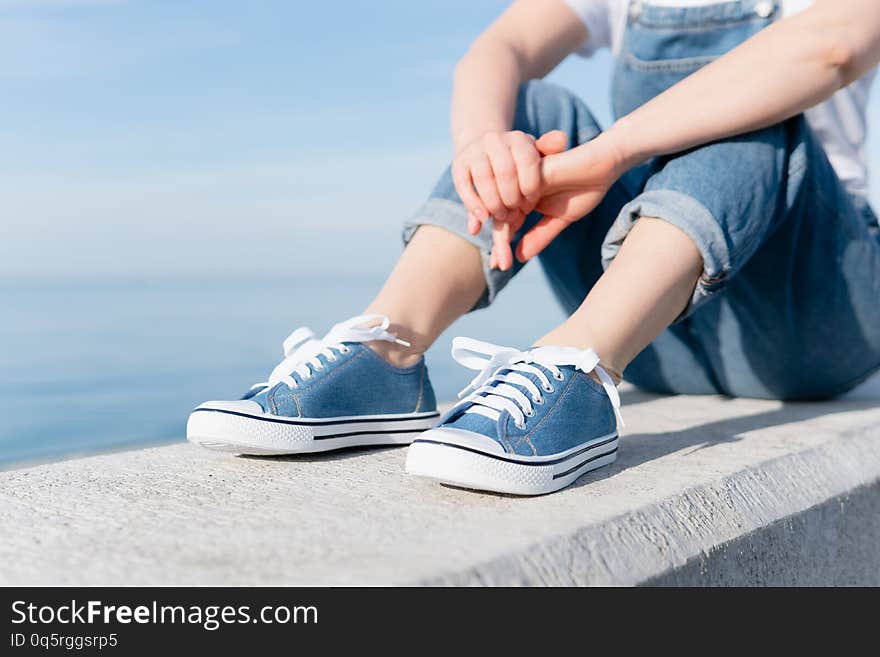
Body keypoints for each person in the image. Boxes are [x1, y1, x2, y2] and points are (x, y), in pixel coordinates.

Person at [187, 0, 880, 496]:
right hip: (663, 337)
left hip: (812, 323)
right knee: (529, 111)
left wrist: (612, 153)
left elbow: (832, 48)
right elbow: (499, 48)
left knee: (754, 116)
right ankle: (387, 354)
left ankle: (577, 362)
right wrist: (488, 151)